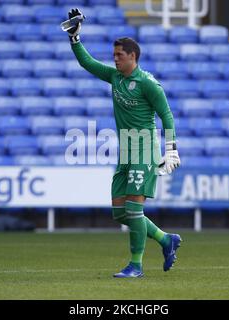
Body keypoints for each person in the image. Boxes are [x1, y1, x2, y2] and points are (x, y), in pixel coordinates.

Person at [64, 8, 182, 278]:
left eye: (120, 55)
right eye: (114, 55)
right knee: (120, 213)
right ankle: (166, 240)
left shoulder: (148, 83)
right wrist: (75, 39)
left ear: (133, 57)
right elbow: (88, 63)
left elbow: (166, 115)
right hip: (126, 149)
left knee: (134, 210)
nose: (115, 59)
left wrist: (170, 149)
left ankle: (136, 266)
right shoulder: (115, 77)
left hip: (144, 148)